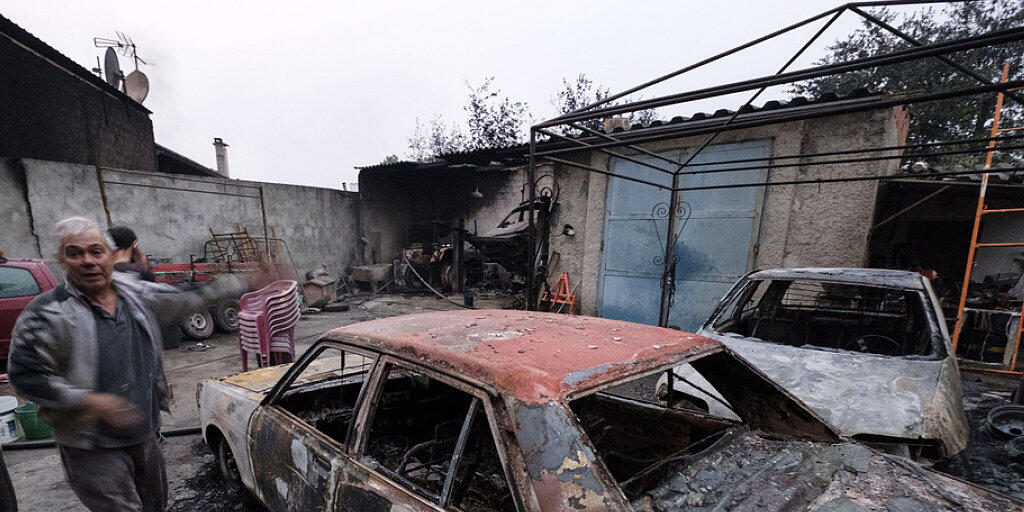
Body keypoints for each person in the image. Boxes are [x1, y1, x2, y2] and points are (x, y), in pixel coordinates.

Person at [7, 217, 261, 512]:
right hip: (91, 445)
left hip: (144, 433)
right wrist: (91, 401)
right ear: (61, 260)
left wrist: (243, 282)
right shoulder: (47, 313)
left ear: (111, 255)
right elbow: (25, 375)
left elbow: (184, 299)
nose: (87, 261)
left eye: (96, 251)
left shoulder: (132, 293)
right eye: (75, 253)